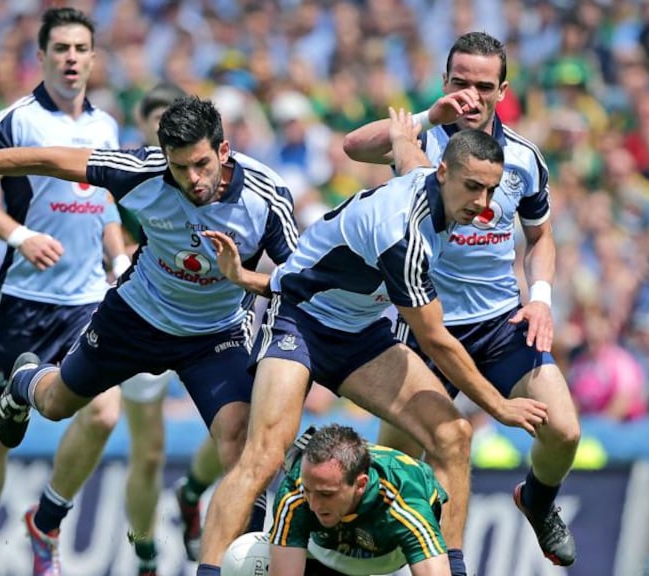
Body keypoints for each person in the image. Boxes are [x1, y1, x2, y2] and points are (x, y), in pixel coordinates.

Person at [0, 95, 297, 570]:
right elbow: (47, 159)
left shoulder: (265, 197)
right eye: (180, 168)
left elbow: (299, 280)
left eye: (202, 164)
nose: (193, 180)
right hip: (136, 319)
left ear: (223, 150)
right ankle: (24, 381)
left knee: (238, 441)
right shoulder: (140, 172)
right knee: (58, 404)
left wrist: (245, 281)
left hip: (214, 334)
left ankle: (242, 556)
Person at [195, 108, 548, 576]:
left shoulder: (429, 178)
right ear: (444, 172)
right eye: (472, 187)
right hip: (299, 322)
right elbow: (437, 341)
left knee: (453, 436)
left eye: (490, 190)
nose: (482, 205)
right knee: (263, 457)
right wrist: (500, 407)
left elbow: (405, 151)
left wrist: (413, 125)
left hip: (359, 332)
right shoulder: (404, 236)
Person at [343, 31, 581, 566]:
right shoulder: (422, 141)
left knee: (563, 430)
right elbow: (353, 146)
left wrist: (540, 299)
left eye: (482, 86)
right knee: (394, 463)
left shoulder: (523, 158)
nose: (469, 95)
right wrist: (428, 115)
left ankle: (537, 501)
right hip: (424, 324)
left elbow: (541, 237)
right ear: (444, 81)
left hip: (499, 323)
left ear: (502, 91)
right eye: (459, 82)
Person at [0, 8, 125, 576]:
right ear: (42, 57)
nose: (71, 57)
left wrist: (118, 256)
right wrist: (19, 235)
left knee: (103, 416)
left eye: (81, 48)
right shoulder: (16, 121)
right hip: (25, 299)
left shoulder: (107, 128)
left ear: (93, 58)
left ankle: (46, 522)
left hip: (89, 299)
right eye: (61, 48)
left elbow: (106, 200)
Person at [118, 82, 226, 572]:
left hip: (210, 319)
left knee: (235, 427)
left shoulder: (212, 176)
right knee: (148, 453)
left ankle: (192, 492)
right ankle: (144, 550)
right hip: (146, 314)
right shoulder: (129, 180)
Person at [268, 424, 452, 576]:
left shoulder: (405, 500)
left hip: (387, 557)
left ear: (361, 484)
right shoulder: (295, 490)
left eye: (327, 494)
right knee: (251, 558)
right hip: (323, 550)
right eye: (308, 491)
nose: (314, 505)